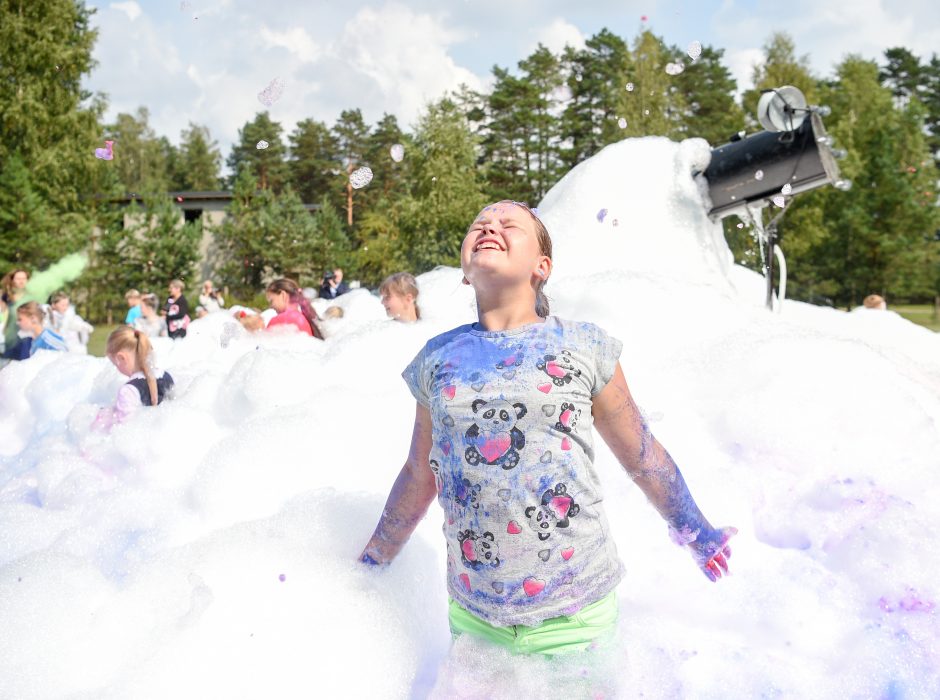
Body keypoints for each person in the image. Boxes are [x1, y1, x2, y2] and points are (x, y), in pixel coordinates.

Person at [358, 200, 736, 656]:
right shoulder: (438, 359)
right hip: (477, 616)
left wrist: (696, 531)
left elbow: (642, 454)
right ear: (463, 271)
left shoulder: (582, 346)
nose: (488, 227)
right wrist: (372, 562)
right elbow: (421, 473)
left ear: (542, 266)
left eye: (507, 224)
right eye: (478, 223)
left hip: (576, 610)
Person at [93, 326, 174, 431]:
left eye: (114, 364)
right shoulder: (166, 375)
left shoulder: (128, 390)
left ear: (121, 358)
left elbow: (123, 431)